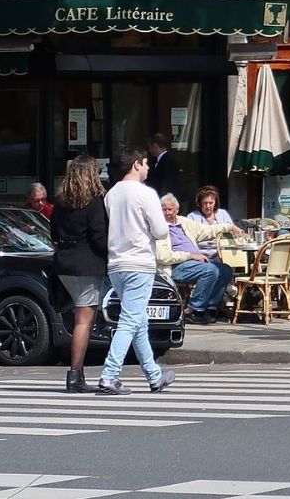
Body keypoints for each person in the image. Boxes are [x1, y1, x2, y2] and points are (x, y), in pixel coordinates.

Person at [97, 146, 172, 395]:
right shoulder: (146, 193)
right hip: (140, 262)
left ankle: (154, 375)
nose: (149, 168)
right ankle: (109, 374)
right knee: (131, 320)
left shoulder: (111, 194)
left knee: (138, 321)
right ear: (137, 164)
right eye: (146, 164)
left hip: (116, 263)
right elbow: (161, 231)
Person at [51, 154, 107, 393]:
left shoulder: (61, 202)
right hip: (86, 264)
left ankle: (78, 373)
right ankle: (75, 375)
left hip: (64, 262)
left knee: (79, 319)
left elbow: (53, 232)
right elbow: (99, 237)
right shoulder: (94, 202)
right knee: (84, 321)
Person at [155, 193, 238, 323]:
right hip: (176, 266)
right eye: (163, 209)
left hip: (195, 263)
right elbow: (163, 257)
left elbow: (207, 230)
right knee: (210, 270)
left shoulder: (184, 222)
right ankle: (193, 309)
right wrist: (190, 255)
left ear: (176, 210)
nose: (166, 212)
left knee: (225, 270)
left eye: (169, 209)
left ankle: (210, 308)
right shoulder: (159, 228)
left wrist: (230, 227)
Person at [144, 133, 179, 199]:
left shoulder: (169, 161)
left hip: (163, 198)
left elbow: (167, 183)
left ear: (155, 146)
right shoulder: (155, 160)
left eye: (149, 147)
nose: (149, 150)